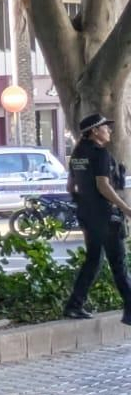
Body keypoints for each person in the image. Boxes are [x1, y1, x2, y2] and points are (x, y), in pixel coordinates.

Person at [63, 112, 131, 323]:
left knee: (94, 260)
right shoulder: (100, 154)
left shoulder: (77, 154)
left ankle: (74, 305)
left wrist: (85, 203)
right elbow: (103, 185)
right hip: (106, 217)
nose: (109, 130)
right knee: (119, 264)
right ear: (94, 131)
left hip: (88, 216)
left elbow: (70, 186)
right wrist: (126, 209)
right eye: (104, 127)